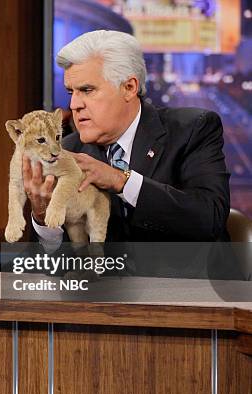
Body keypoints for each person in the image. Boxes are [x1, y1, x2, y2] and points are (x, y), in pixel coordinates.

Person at [26, 30, 230, 244]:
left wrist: (120, 180)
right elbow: (49, 265)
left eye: (87, 90)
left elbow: (210, 219)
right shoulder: (69, 150)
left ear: (129, 88)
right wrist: (43, 218)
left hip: (186, 277)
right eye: (71, 92)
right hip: (104, 277)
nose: (74, 104)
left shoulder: (192, 130)